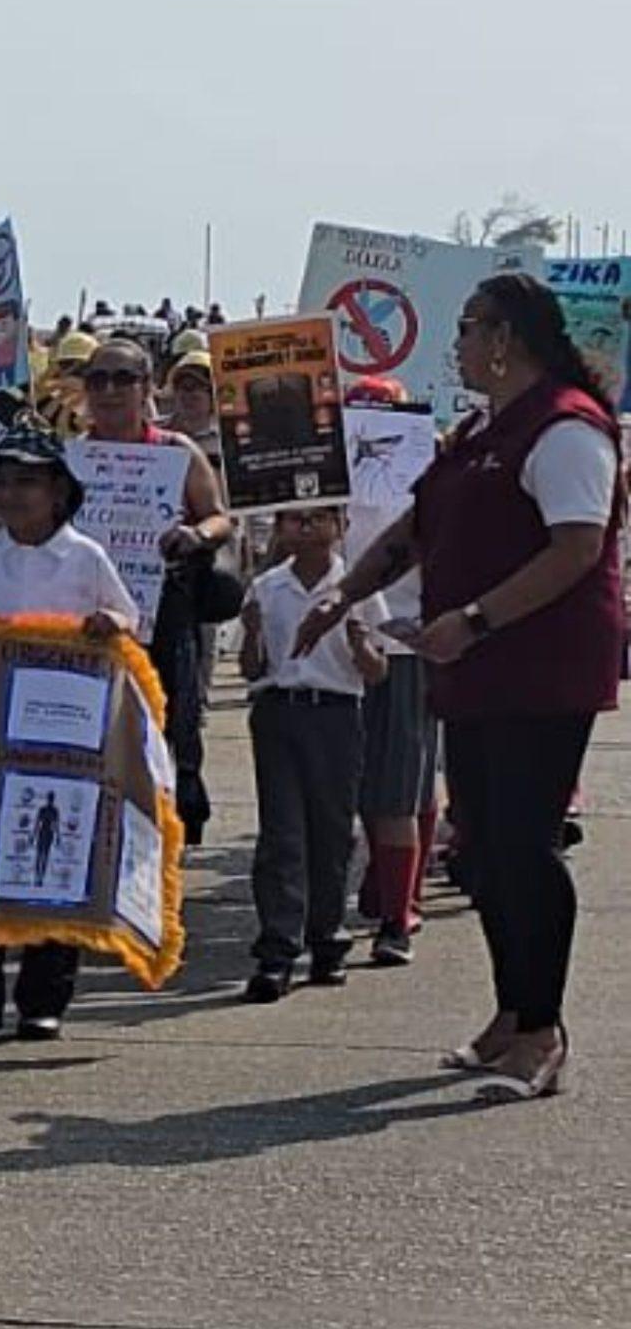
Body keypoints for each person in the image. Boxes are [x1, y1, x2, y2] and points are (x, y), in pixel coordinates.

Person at [296, 273, 622, 1101]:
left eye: (471, 328)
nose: (461, 345)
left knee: (524, 846)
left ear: (507, 337)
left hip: (539, 669)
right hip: (472, 669)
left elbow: (575, 549)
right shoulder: (481, 427)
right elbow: (413, 526)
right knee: (482, 849)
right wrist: (342, 592)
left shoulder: (566, 428)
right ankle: (511, 1013)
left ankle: (542, 1027)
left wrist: (475, 619)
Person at [0, 431, 138, 1044]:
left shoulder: (85, 558)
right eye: (3, 482)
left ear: (58, 492)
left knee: (55, 865)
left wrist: (111, 623)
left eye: (27, 482)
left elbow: (129, 620)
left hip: (61, 738)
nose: (12, 494)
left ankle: (44, 998)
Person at [77, 337, 235, 843]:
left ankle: (166, 835)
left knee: (171, 723)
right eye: (97, 379)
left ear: (146, 388)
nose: (109, 390)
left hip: (164, 607)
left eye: (123, 379)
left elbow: (218, 518)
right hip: (88, 617)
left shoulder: (175, 452)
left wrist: (195, 535)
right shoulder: (70, 458)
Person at [237, 506, 387, 1001]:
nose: (306, 528)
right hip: (281, 711)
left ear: (340, 528)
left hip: (336, 714)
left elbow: (375, 671)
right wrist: (254, 631)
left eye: (319, 519)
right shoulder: (268, 587)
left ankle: (327, 940)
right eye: (294, 519)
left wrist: (359, 642)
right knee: (282, 833)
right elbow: (252, 668)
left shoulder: (357, 588)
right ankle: (277, 950)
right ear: (278, 529)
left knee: (332, 829)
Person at [340, 376, 432, 965]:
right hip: (330, 648)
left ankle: (398, 914)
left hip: (403, 644)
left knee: (399, 788)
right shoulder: (322, 478)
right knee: (359, 790)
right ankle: (387, 889)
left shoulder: (429, 480)